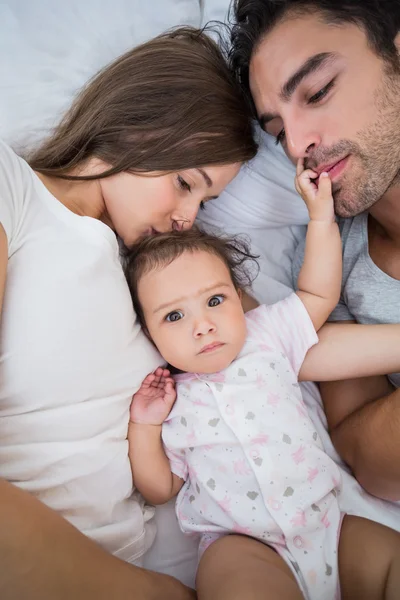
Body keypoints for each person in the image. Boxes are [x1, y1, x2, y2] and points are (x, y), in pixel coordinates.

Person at [0, 26, 257, 599]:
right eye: (186, 183)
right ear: (138, 123)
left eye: (206, 201)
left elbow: (280, 328)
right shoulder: (13, 193)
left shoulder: (160, 281)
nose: (189, 216)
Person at [125, 162, 400, 600]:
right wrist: (144, 425)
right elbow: (160, 490)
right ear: (149, 334)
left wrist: (321, 219)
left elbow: (318, 294)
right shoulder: (174, 400)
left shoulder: (267, 333)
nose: (204, 325)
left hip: (327, 524)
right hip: (240, 542)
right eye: (174, 316)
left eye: (215, 300)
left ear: (238, 298)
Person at [229, 0, 400, 501]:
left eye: (318, 91)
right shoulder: (329, 266)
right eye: (278, 131)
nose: (299, 144)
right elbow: (369, 460)